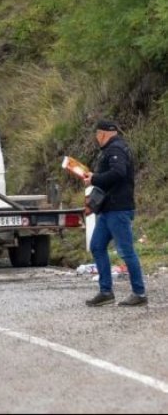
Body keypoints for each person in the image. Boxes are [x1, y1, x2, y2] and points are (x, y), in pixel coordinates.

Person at [83, 119, 147, 307]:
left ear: (102, 134)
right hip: (107, 209)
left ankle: (139, 293)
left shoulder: (116, 149)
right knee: (96, 246)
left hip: (118, 209)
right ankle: (106, 291)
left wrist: (94, 178)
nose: (96, 139)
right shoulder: (113, 149)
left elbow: (118, 173)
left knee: (126, 252)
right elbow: (110, 179)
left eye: (97, 135)